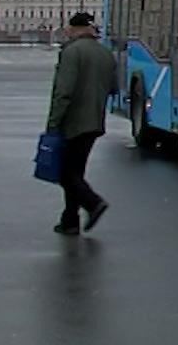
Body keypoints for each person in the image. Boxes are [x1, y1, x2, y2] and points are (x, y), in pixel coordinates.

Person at [46, 12, 116, 236]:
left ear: (76, 29)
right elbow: (113, 87)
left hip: (73, 121)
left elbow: (64, 92)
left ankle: (93, 203)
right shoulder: (105, 53)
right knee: (75, 171)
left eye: (68, 27)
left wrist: (53, 123)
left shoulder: (72, 52)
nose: (66, 31)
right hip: (95, 119)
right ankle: (70, 221)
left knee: (67, 174)